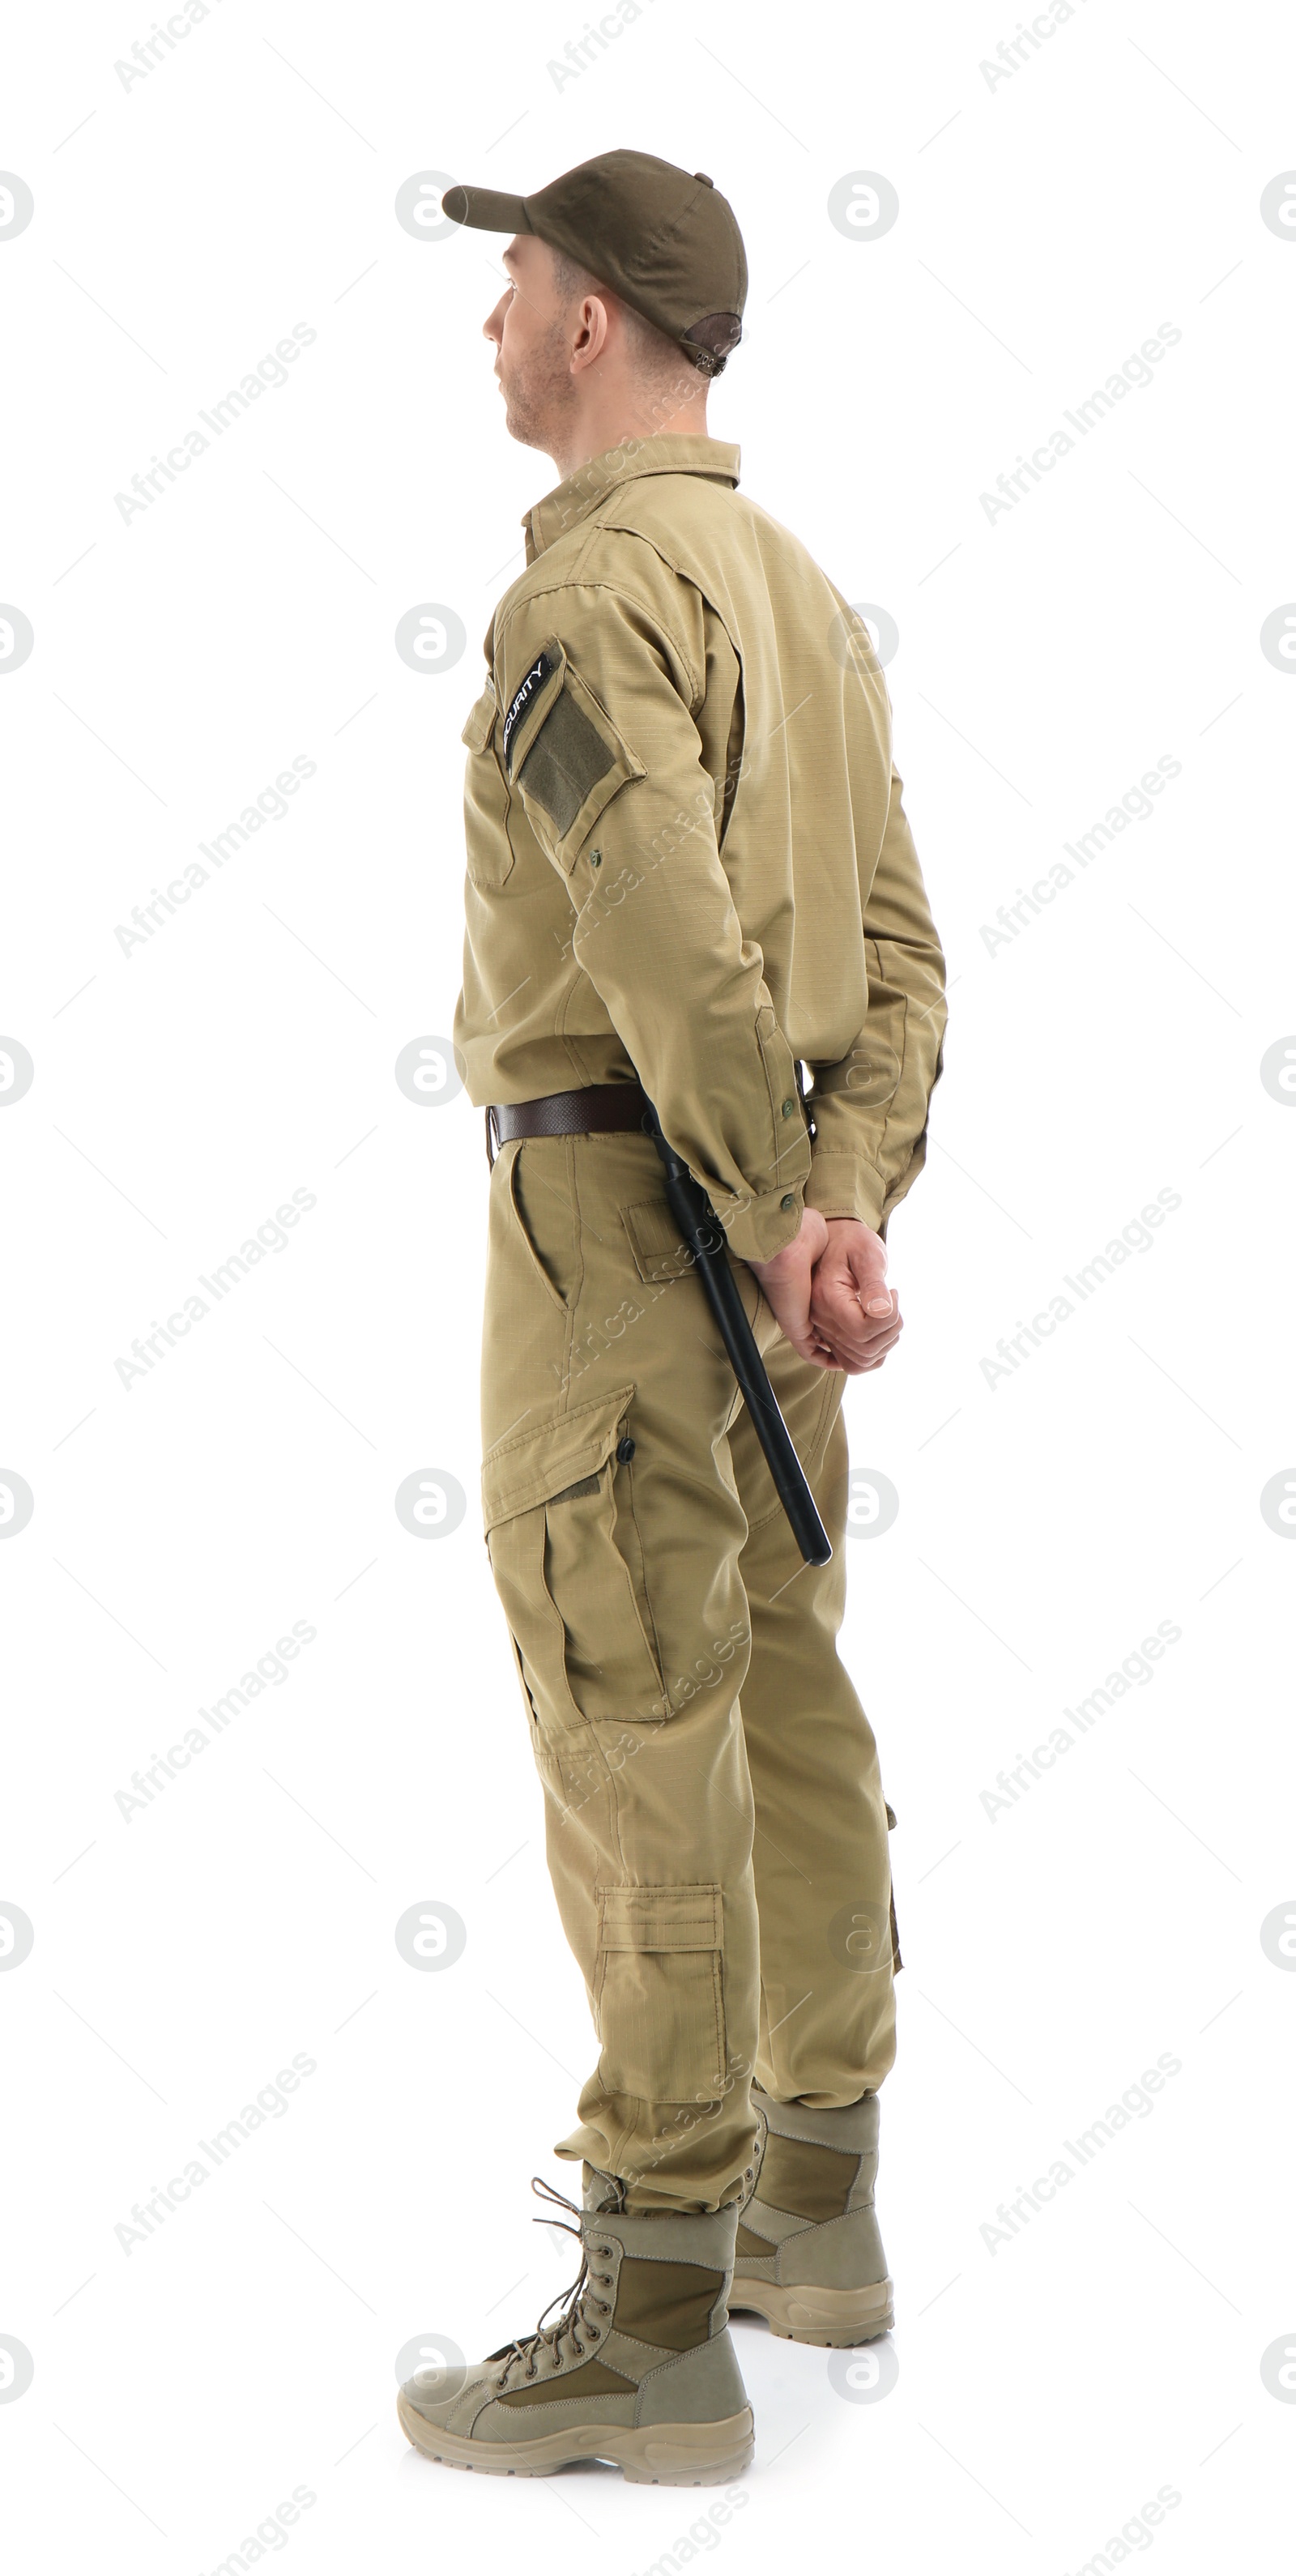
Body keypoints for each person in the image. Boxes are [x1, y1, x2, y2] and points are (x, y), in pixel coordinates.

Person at [398, 149, 947, 2484]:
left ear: (598, 319)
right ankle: (812, 2202)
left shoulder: (581, 610)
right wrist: (834, 1209)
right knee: (786, 1684)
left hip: (624, 1241)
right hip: (770, 1243)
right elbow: (899, 962)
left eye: (514, 281)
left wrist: (750, 1206)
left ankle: (648, 2303)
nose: (491, 321)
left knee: (636, 1718)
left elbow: (657, 946)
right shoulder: (805, 602)